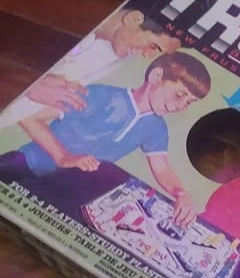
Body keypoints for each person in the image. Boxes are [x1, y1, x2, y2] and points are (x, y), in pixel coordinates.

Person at [0, 52, 211, 227]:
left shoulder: (157, 128)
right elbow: (30, 117)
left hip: (66, 187)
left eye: (189, 102)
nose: (181, 106)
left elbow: (161, 167)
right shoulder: (100, 95)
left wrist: (182, 194)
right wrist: (62, 156)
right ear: (156, 76)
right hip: (25, 165)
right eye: (180, 95)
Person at [0, 9, 180, 129]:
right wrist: (28, 85)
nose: (147, 56)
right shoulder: (54, 14)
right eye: (154, 46)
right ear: (134, 19)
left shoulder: (117, 53)